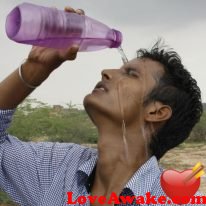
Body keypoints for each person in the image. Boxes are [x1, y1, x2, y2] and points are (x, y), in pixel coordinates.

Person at [0, 6, 203, 206]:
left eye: (131, 74)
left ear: (156, 112)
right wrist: (35, 68)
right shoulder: (57, 167)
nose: (106, 72)